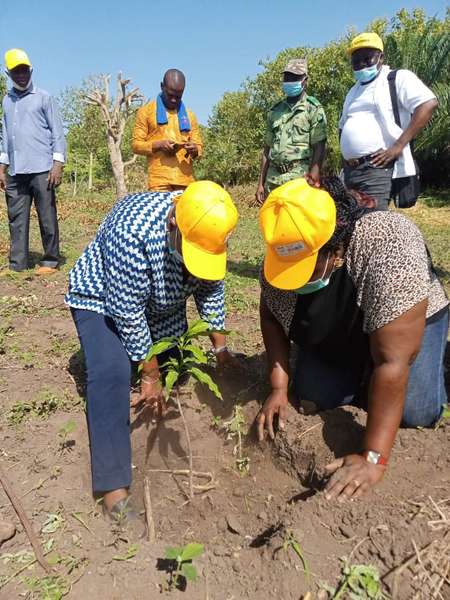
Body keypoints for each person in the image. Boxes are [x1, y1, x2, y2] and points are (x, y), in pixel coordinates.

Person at [256, 176, 449, 501]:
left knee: (415, 413)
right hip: (341, 326)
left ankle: (435, 361)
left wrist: (374, 457)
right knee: (313, 394)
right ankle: (365, 374)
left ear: (335, 251)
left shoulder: (389, 245)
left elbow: (393, 361)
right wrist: (279, 387)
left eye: (304, 266)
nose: (291, 279)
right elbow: (270, 315)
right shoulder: (281, 254)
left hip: (404, 321)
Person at [65, 180, 238, 521]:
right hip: (102, 301)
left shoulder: (209, 224)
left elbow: (211, 288)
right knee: (111, 372)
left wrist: (221, 351)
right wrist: (150, 373)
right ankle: (114, 485)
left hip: (161, 309)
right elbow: (126, 310)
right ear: (174, 222)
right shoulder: (131, 229)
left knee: (180, 367)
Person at [339, 32, 437, 209]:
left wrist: (398, 146)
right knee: (350, 224)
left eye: (367, 58)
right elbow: (342, 126)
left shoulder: (396, 78)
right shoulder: (352, 92)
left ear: (381, 57)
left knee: (372, 225)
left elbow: (428, 104)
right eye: (356, 61)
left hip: (377, 168)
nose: (361, 64)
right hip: (350, 171)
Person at [0, 48, 66, 274]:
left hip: (42, 168)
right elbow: (5, 135)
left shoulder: (44, 97)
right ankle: (18, 263)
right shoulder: (7, 101)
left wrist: (57, 163)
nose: (22, 75)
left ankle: (50, 260)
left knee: (46, 215)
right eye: (16, 72)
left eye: (25, 70)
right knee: (16, 217)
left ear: (31, 70)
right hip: (16, 170)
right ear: (8, 73)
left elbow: (58, 132)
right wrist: (2, 166)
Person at [255, 58, 327, 205]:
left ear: (305, 80)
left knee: (297, 224)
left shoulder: (313, 108)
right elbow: (266, 150)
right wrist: (260, 183)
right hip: (273, 179)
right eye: (287, 77)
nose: (290, 81)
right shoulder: (275, 111)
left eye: (295, 77)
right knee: (272, 225)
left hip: (299, 178)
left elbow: (319, 147)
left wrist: (312, 179)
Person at [132, 69, 202, 192]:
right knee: (162, 212)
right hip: (159, 182)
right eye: (170, 95)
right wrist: (158, 145)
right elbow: (136, 145)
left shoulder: (190, 116)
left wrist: (195, 149)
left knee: (185, 212)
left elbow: (199, 147)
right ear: (162, 86)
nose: (174, 100)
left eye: (178, 96)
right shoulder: (145, 112)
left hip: (186, 181)